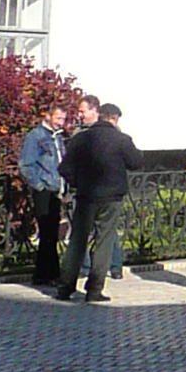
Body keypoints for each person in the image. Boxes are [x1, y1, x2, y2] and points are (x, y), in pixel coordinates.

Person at [55, 100, 145, 302]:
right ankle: (94, 289)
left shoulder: (81, 139)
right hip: (112, 198)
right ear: (114, 119)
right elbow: (136, 163)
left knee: (78, 241)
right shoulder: (121, 139)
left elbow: (64, 168)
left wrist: (77, 183)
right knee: (104, 241)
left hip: (86, 195)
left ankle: (65, 287)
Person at [17, 105, 68, 288]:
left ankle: (43, 273)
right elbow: (26, 164)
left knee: (51, 232)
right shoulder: (36, 136)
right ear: (47, 116)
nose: (61, 122)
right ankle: (49, 273)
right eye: (58, 118)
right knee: (47, 232)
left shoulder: (58, 137)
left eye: (63, 119)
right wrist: (39, 185)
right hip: (44, 189)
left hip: (56, 189)